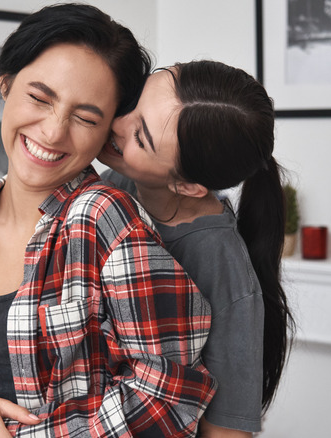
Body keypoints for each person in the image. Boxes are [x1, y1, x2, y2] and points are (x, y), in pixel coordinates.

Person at [0, 5, 216, 437]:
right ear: (6, 82)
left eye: (85, 117)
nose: (52, 133)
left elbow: (169, 393)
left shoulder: (103, 219)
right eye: (39, 97)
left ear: (107, 133)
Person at [98, 60, 295, 437]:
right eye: (136, 101)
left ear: (188, 186)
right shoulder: (114, 186)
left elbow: (226, 432)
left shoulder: (224, 272)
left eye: (141, 137)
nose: (117, 122)